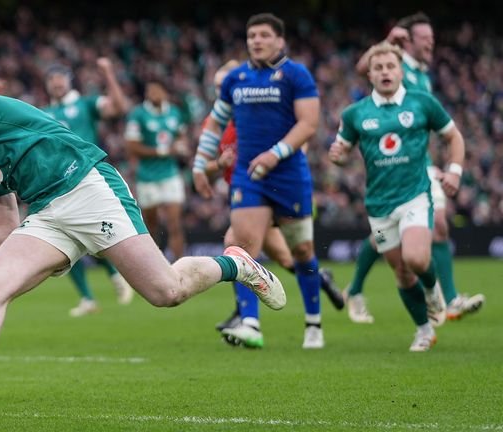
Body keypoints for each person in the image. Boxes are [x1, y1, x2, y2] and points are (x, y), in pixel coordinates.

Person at [0, 73, 287, 415]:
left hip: (87, 186)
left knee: (167, 292)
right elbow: (2, 229)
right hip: (49, 213)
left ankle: (237, 263)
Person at [193, 13, 325, 349]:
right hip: (248, 176)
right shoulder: (235, 78)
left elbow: (309, 123)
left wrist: (276, 153)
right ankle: (250, 323)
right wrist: (199, 165)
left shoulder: (296, 74)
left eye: (264, 35)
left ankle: (313, 323)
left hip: (289, 174)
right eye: (252, 35)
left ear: (280, 40)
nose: (257, 40)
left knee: (302, 251)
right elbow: (214, 124)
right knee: (241, 246)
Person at [347, 13, 484, 324]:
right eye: (423, 37)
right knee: (399, 237)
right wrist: (386, 43)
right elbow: (362, 68)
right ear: (407, 42)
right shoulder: (397, 66)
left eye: (431, 37)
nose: (430, 42)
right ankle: (357, 290)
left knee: (436, 228)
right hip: (393, 172)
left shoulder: (422, 76)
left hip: (420, 168)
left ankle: (448, 299)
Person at [330, 42, 464, 351]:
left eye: (390, 66)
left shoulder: (422, 103)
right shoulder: (355, 113)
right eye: (378, 68)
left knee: (415, 258)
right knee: (401, 271)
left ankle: (433, 291)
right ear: (370, 75)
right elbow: (342, 152)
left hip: (416, 195)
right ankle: (423, 330)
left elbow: (453, 136)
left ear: (401, 70)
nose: (385, 72)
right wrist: (337, 155)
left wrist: (454, 171)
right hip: (378, 206)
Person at [43, 59, 134, 316]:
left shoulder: (85, 103)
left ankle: (116, 274)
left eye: (60, 77)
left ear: (69, 80)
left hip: (87, 177)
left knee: (93, 235)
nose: (57, 83)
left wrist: (108, 73)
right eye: (52, 79)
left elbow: (118, 107)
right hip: (55, 183)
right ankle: (87, 297)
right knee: (64, 242)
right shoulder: (42, 112)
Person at [125, 79, 189, 261]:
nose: (152, 94)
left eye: (156, 90)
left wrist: (181, 146)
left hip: (170, 174)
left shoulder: (175, 112)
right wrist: (164, 151)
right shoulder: (138, 114)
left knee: (175, 224)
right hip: (147, 177)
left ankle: (180, 267)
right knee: (152, 226)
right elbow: (131, 148)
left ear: (165, 93)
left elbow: (181, 136)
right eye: (149, 90)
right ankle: (155, 266)